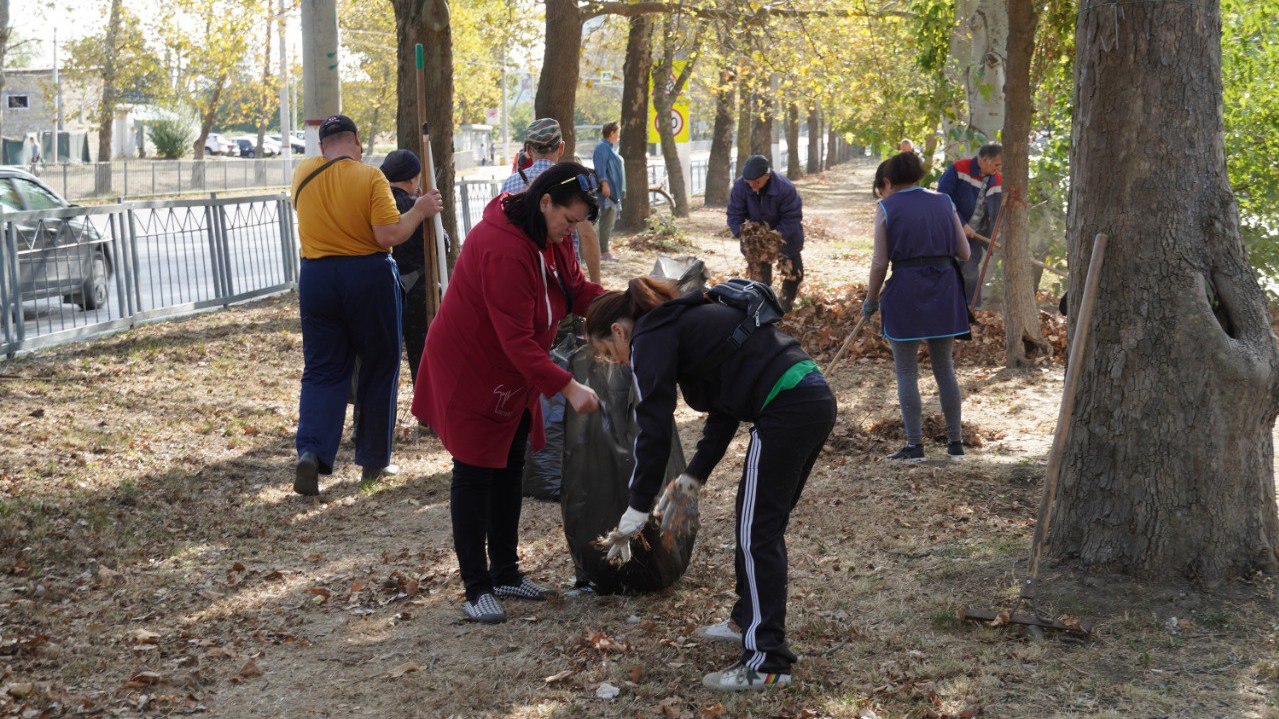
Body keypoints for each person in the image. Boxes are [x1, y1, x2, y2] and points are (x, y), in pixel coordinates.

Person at [586, 277, 836, 692]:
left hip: (787, 407)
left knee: (758, 533)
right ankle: (745, 620)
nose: (616, 362)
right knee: (755, 524)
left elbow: (653, 427)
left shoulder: (650, 337)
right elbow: (726, 407)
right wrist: (692, 476)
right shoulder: (683, 323)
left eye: (608, 352)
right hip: (808, 399)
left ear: (618, 330)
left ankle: (767, 661)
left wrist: (637, 506)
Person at [412, 161, 607, 624]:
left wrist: (619, 304)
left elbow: (573, 288)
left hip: (512, 372)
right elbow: (515, 340)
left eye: (578, 223)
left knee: (510, 465)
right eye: (569, 220)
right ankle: (476, 586)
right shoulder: (503, 247)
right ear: (545, 202)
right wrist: (568, 387)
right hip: (472, 369)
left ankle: (505, 572)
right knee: (475, 470)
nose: (571, 231)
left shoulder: (549, 239)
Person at [291, 115, 443, 496]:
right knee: (379, 363)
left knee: (322, 369)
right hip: (368, 275)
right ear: (357, 141)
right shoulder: (370, 177)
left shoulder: (303, 173)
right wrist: (420, 209)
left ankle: (311, 450)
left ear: (323, 147)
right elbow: (388, 233)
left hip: (316, 279)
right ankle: (373, 462)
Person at [863, 151, 970, 462]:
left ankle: (915, 447)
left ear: (887, 181)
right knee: (944, 368)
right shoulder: (944, 201)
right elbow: (964, 253)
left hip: (906, 291)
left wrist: (870, 300)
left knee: (907, 371)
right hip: (944, 288)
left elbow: (880, 262)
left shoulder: (886, 207)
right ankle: (955, 444)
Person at [379, 149, 450, 388]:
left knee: (383, 359)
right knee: (423, 355)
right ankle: (428, 414)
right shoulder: (418, 205)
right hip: (418, 291)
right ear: (412, 179)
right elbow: (444, 246)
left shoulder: (377, 203)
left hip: (381, 288)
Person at [503, 118, 601, 283]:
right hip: (563, 277)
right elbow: (587, 236)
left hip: (524, 275)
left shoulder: (510, 183)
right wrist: (597, 285)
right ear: (561, 147)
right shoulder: (572, 182)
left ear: (528, 149)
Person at [726, 155, 805, 312]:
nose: (753, 187)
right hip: (756, 239)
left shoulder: (784, 188)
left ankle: (785, 303)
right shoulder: (741, 186)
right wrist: (743, 235)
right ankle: (762, 308)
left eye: (757, 183)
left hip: (785, 236)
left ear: (767, 176)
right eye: (749, 183)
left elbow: (792, 217)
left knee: (793, 273)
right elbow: (734, 214)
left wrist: (775, 237)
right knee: (759, 278)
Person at [937, 143, 1002, 305]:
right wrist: (960, 223)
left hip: (974, 237)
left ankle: (972, 310)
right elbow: (943, 199)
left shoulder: (997, 179)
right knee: (947, 269)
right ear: (984, 160)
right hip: (949, 231)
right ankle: (944, 306)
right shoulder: (959, 169)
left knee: (971, 271)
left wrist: (996, 235)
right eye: (996, 164)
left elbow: (997, 213)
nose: (999, 168)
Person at [591, 122, 625, 262]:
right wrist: (605, 184)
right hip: (608, 191)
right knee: (606, 221)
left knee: (608, 221)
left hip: (613, 190)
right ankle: (603, 252)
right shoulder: (602, 148)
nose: (618, 135)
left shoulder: (609, 148)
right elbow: (601, 168)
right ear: (611, 133)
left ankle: (602, 250)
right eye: (617, 132)